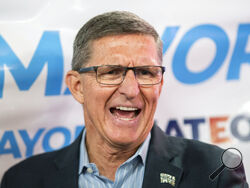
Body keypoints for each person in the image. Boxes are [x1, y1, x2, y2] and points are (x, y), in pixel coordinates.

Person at [1, 11, 248, 188]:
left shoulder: (215, 173)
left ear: (160, 84)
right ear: (77, 87)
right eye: (111, 72)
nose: (131, 89)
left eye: (145, 72)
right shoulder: (23, 179)